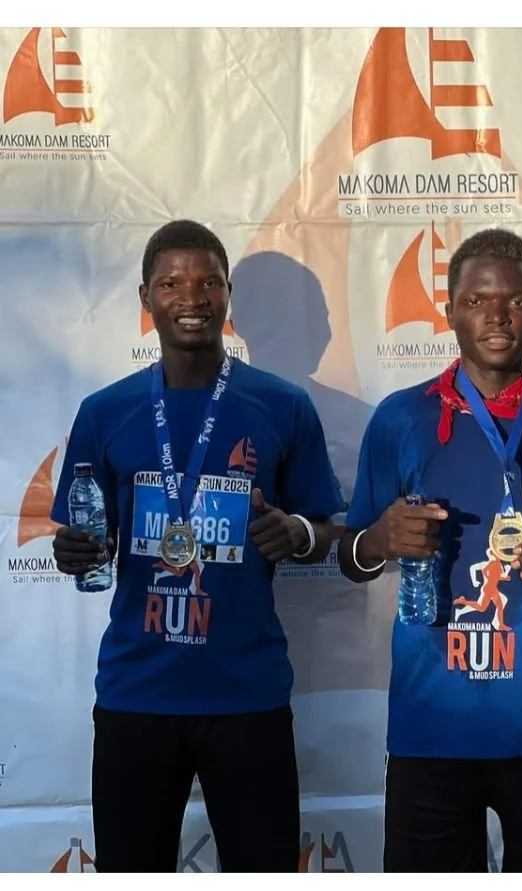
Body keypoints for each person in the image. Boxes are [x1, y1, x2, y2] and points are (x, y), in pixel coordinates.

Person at [50, 219, 345, 872]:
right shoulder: (105, 411)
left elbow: (329, 526)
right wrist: (72, 552)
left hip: (247, 695)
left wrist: (298, 531)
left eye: (208, 280)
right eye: (172, 282)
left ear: (228, 293)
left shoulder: (281, 405)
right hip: (136, 694)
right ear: (146, 298)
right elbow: (79, 536)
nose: (193, 296)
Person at [337, 227, 522, 872]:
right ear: (448, 311)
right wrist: (379, 541)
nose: (498, 317)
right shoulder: (401, 417)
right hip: (431, 724)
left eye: (517, 302)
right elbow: (350, 559)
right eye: (477, 300)